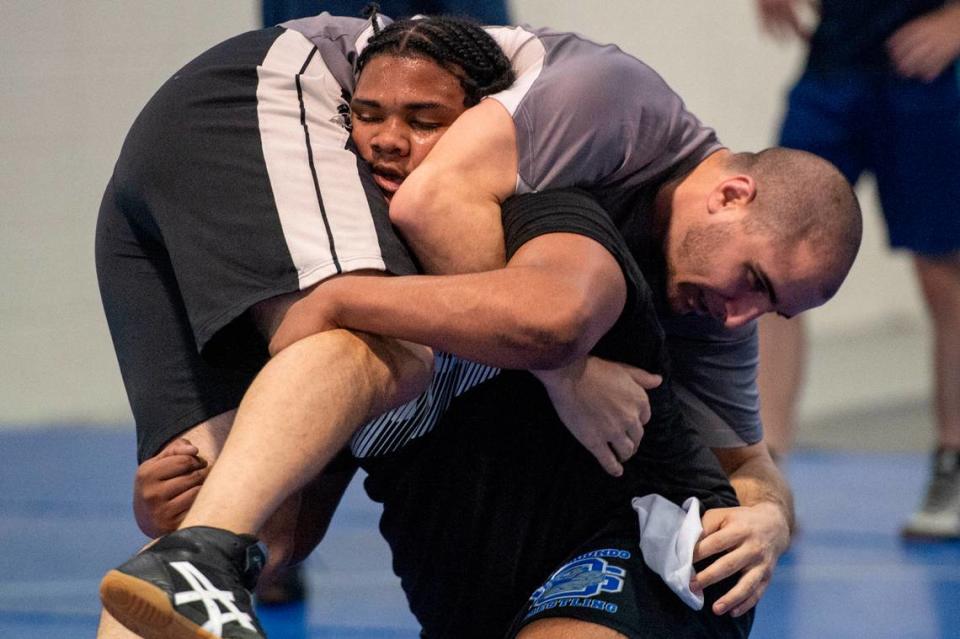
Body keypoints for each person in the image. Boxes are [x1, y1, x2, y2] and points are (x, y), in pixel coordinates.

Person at [96, 13, 861, 639]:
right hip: (276, 94)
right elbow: (431, 202)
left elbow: (750, 460)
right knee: (387, 347)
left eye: (771, 308)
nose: (740, 316)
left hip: (167, 187)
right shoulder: (621, 110)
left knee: (243, 529)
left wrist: (768, 520)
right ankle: (203, 548)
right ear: (730, 195)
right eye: (754, 282)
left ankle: (197, 545)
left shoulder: (698, 298)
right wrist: (566, 370)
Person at [754, 0, 960, 537]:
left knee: (945, 276)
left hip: (928, 74)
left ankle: (953, 461)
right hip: (833, 65)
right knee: (770, 262)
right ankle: (765, 466)